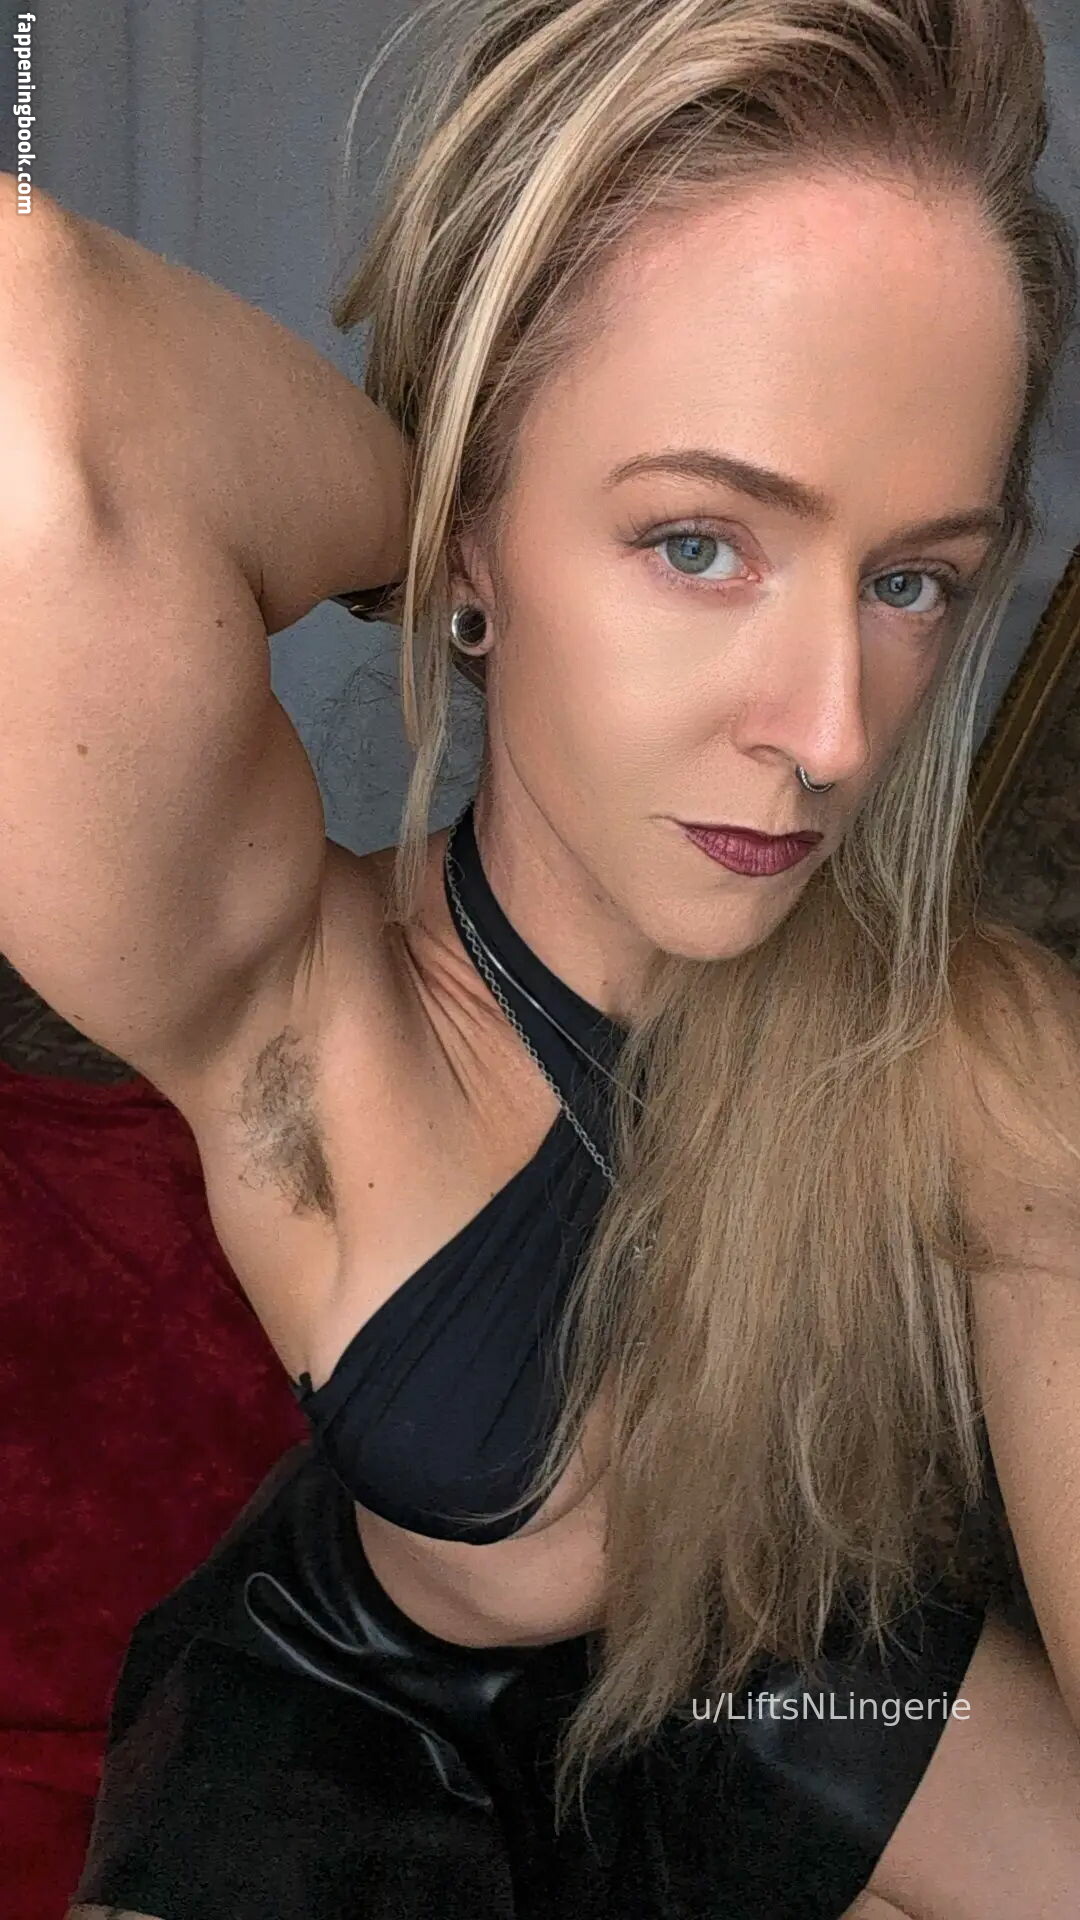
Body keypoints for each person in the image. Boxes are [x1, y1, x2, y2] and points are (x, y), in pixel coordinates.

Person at [1, 0, 1079, 1912]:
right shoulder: (305, 1002)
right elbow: (28, 362)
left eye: (912, 578)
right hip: (358, 1705)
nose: (831, 731)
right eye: (700, 543)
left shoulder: (971, 1052)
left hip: (765, 1659)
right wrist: (443, 526)